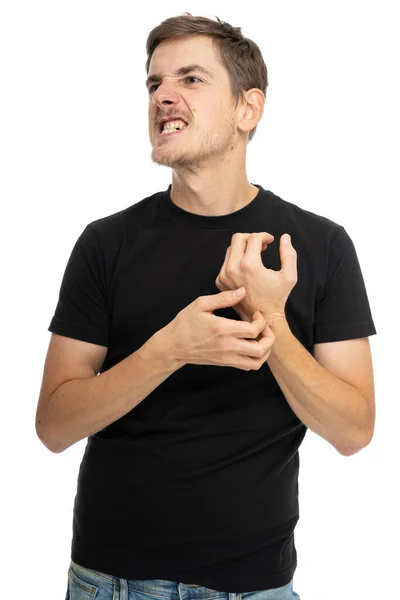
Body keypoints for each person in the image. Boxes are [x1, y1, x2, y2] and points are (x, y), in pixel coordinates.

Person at [35, 13, 377, 600]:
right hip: (112, 584)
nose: (162, 95)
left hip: (255, 588)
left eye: (190, 79)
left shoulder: (319, 246)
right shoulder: (106, 243)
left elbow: (353, 430)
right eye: (153, 83)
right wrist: (170, 349)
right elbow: (54, 426)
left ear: (248, 109)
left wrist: (269, 319)